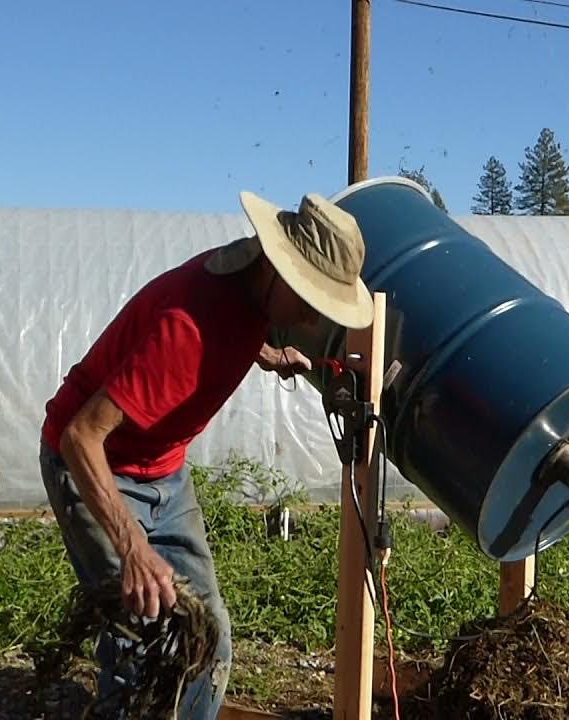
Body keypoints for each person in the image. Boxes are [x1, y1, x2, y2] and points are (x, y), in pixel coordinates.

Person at [38, 190, 374, 719]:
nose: (312, 321)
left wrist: (266, 353)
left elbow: (234, 322)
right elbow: (80, 437)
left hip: (164, 473)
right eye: (309, 301)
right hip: (94, 467)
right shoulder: (186, 329)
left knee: (207, 635)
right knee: (142, 640)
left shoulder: (247, 284)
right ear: (278, 268)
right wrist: (132, 547)